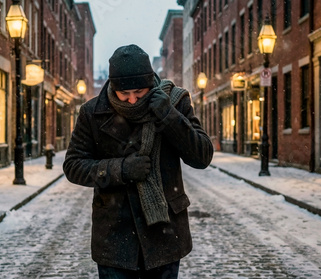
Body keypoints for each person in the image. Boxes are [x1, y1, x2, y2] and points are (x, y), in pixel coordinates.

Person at [63, 44, 214, 278]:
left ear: (150, 84)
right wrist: (120, 169)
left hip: (164, 234)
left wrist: (169, 117)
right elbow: (73, 165)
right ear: (113, 87)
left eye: (139, 93)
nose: (132, 100)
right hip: (115, 238)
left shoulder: (174, 102)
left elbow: (202, 156)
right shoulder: (91, 113)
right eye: (125, 94)